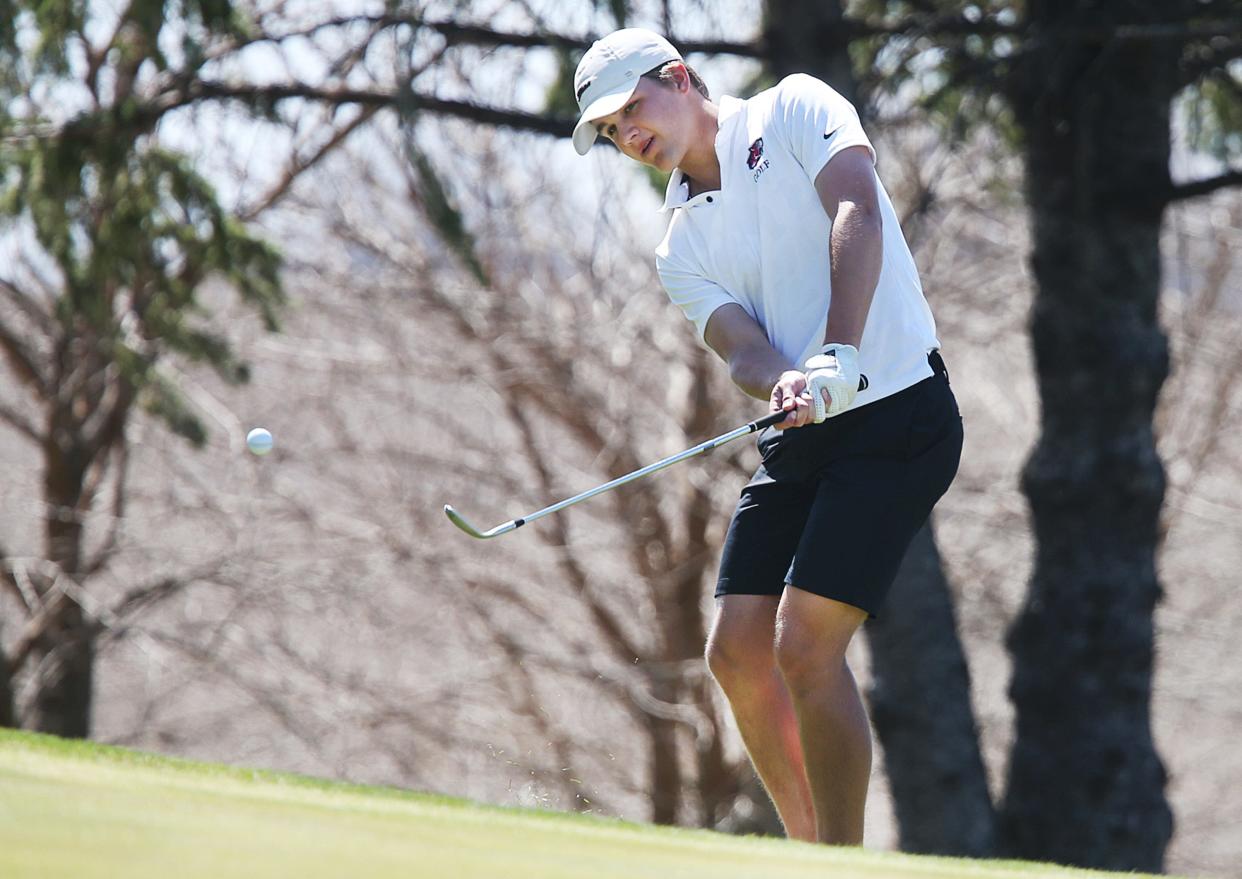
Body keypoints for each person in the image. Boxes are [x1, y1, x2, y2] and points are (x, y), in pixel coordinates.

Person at [571, 29, 963, 846]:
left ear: (679, 77)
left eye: (630, 109)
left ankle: (842, 863)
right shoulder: (679, 242)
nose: (626, 135)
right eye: (610, 131)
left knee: (804, 647)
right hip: (805, 430)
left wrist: (839, 352)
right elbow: (740, 346)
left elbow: (855, 202)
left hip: (899, 409)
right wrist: (784, 378)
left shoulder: (794, 109)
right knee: (737, 651)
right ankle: (808, 843)